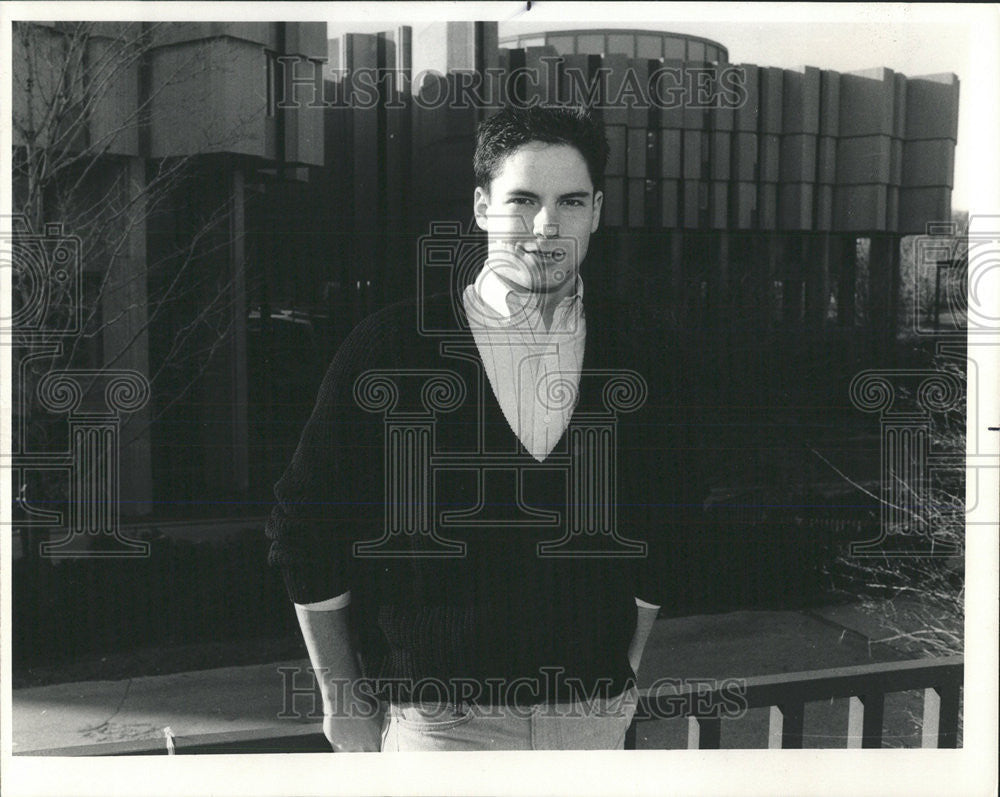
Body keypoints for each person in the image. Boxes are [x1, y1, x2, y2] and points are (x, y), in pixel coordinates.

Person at [265, 105, 700, 751]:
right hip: (444, 730)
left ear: (598, 212)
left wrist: (624, 670)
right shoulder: (392, 347)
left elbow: (669, 520)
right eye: (522, 199)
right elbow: (306, 526)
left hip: (594, 721)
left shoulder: (647, 352)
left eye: (571, 201)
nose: (547, 226)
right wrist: (343, 696)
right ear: (481, 206)